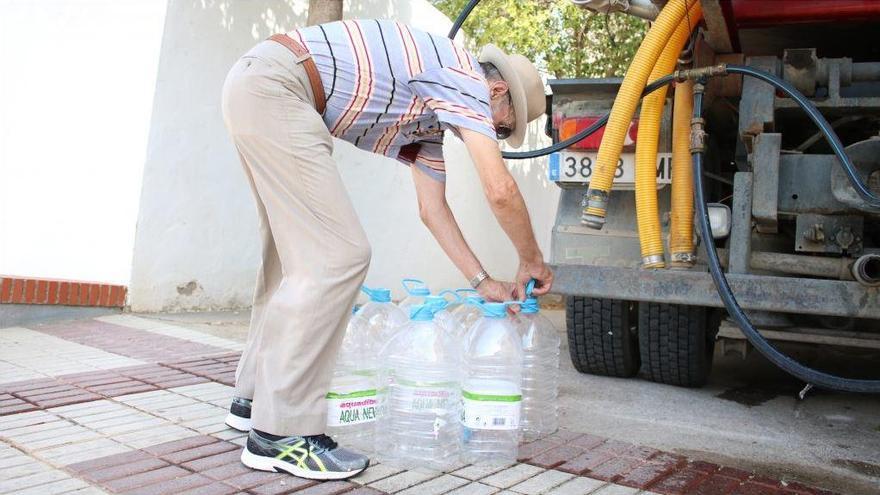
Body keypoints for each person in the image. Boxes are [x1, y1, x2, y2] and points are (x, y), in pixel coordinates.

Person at [220, 18, 554, 480]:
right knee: (338, 256)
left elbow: (432, 210)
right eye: (503, 129)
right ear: (498, 92)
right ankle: (282, 434)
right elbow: (499, 189)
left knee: (290, 258)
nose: (493, 135)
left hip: (260, 82)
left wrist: (483, 282)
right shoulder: (464, 80)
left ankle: (253, 399)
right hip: (279, 87)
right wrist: (532, 259)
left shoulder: (432, 121)